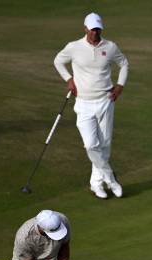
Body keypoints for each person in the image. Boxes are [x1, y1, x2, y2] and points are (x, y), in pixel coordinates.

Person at [54, 12, 129, 199]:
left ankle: (96, 184)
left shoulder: (110, 47)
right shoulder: (74, 47)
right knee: (90, 145)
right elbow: (58, 61)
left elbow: (124, 64)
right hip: (84, 103)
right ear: (85, 28)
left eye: (98, 29)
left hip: (106, 101)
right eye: (92, 29)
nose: (95, 32)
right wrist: (69, 79)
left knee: (105, 145)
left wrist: (119, 86)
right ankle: (111, 179)